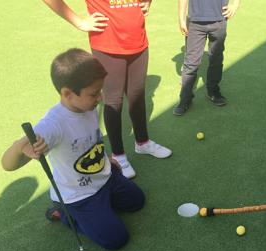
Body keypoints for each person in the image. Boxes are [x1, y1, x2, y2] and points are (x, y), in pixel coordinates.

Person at [1, 49, 145, 250]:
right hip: (78, 195)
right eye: (94, 93)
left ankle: (100, 211)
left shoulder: (88, 106)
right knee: (116, 240)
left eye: (100, 91)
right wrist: (19, 147)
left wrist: (106, 159)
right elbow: (7, 164)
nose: (100, 97)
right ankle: (63, 212)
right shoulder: (52, 126)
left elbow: (91, 140)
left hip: (104, 177)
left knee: (137, 201)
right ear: (67, 94)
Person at [42, 0, 172, 179]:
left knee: (137, 95)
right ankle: (119, 155)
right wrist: (79, 22)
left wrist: (147, 2)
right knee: (113, 101)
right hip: (108, 44)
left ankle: (142, 142)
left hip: (138, 40)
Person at [173, 0, 241, 116]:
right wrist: (181, 18)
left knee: (216, 59)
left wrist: (235, 4)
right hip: (195, 23)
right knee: (191, 64)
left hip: (219, 21)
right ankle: (185, 98)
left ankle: (213, 91)